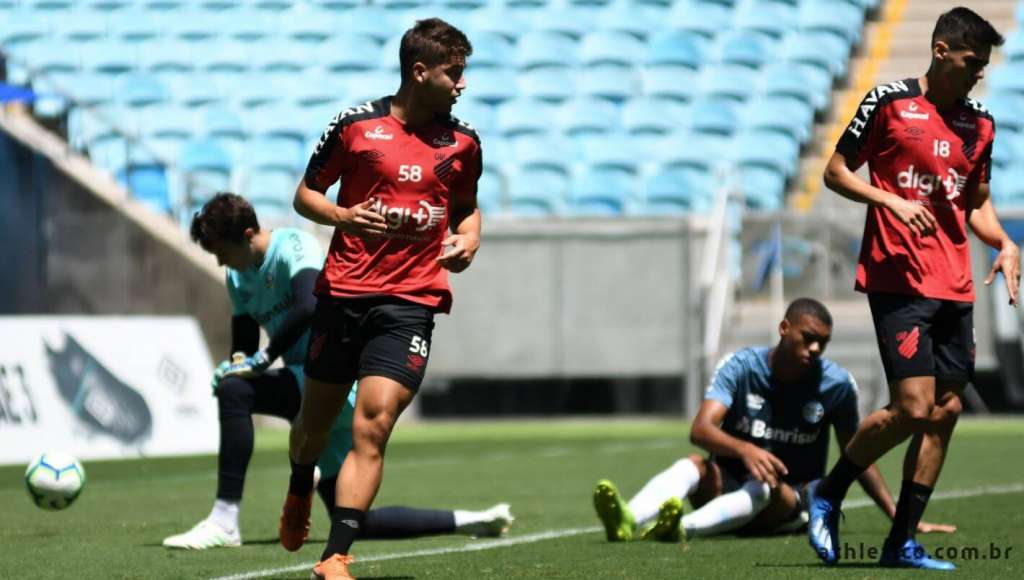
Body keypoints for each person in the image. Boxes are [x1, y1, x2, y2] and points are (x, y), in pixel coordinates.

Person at [163, 194, 509, 551]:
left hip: (337, 384)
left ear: (248, 233)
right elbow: (245, 343)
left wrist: (261, 361)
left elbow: (309, 306)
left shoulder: (293, 246)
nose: (220, 262)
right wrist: (237, 362)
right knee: (353, 518)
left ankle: (225, 519)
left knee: (237, 393)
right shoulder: (238, 279)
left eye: (222, 251)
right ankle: (472, 520)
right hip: (310, 392)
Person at [807, 7, 1021, 570]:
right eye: (972, 62)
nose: (978, 74)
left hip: (954, 283)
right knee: (914, 406)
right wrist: (892, 200)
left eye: (984, 66)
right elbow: (835, 172)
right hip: (897, 277)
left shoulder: (982, 123)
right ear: (940, 48)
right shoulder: (887, 101)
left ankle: (900, 541)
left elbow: (975, 204)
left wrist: (1005, 243)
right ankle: (828, 492)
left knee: (946, 410)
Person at [281, 18, 483, 580]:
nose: (462, 85)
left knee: (374, 423)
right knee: (314, 427)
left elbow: (466, 206)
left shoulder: (464, 142)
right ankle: (301, 483)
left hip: (411, 300)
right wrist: (344, 216)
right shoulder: (354, 126)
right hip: (344, 293)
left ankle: (335, 556)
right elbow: (305, 195)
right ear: (420, 72)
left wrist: (469, 239)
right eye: (454, 73)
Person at [592, 299, 954, 545]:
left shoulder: (837, 385)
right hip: (728, 483)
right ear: (784, 328)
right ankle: (629, 518)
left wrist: (899, 516)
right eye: (808, 338)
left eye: (822, 343)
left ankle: (678, 529)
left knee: (766, 487)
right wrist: (745, 450)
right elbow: (700, 429)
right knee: (692, 465)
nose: (815, 349)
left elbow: (857, 456)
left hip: (787, 499)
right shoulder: (741, 366)